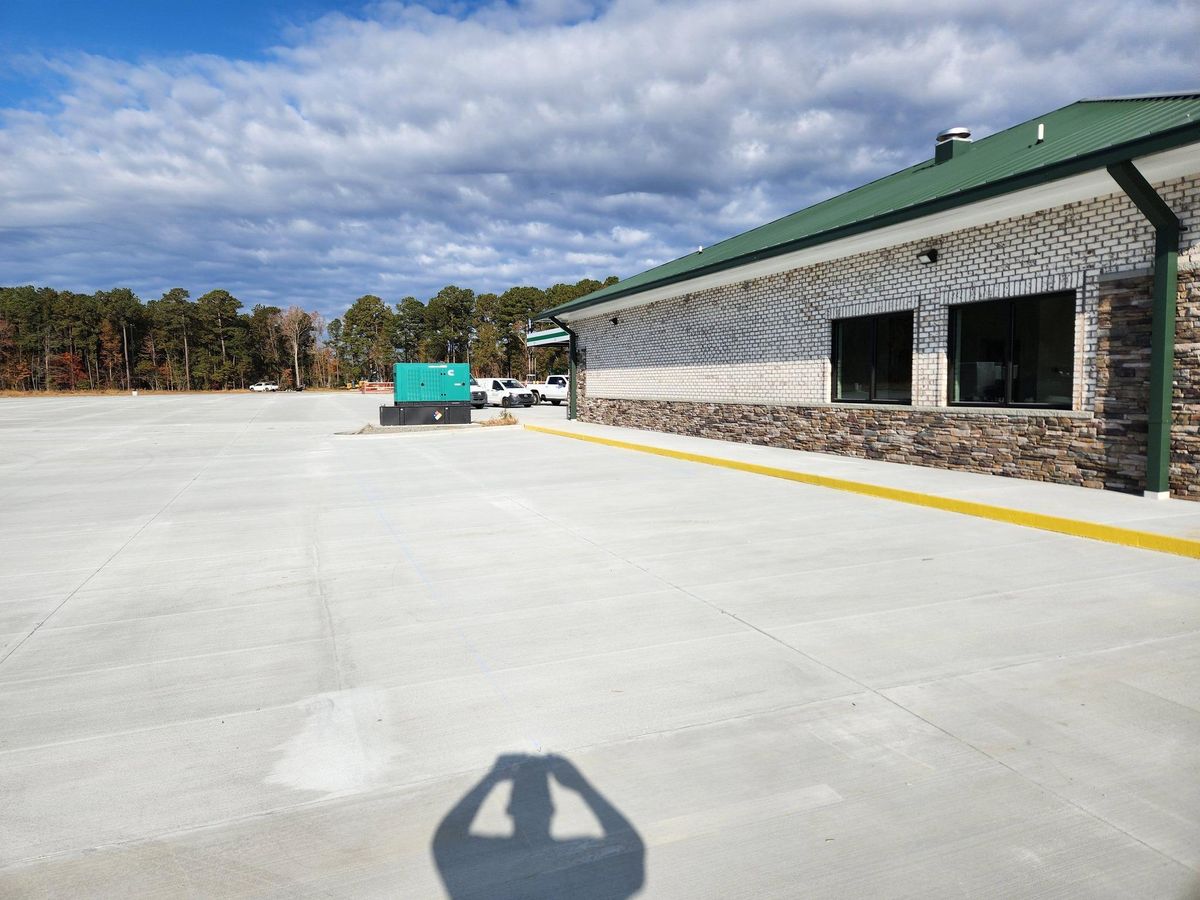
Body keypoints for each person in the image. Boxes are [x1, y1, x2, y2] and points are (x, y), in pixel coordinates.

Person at [432, 754, 645, 899]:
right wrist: (581, 787)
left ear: (508, 809)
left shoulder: (495, 860)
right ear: (553, 810)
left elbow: (445, 840)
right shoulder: (578, 854)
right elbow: (630, 847)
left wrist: (492, 777)